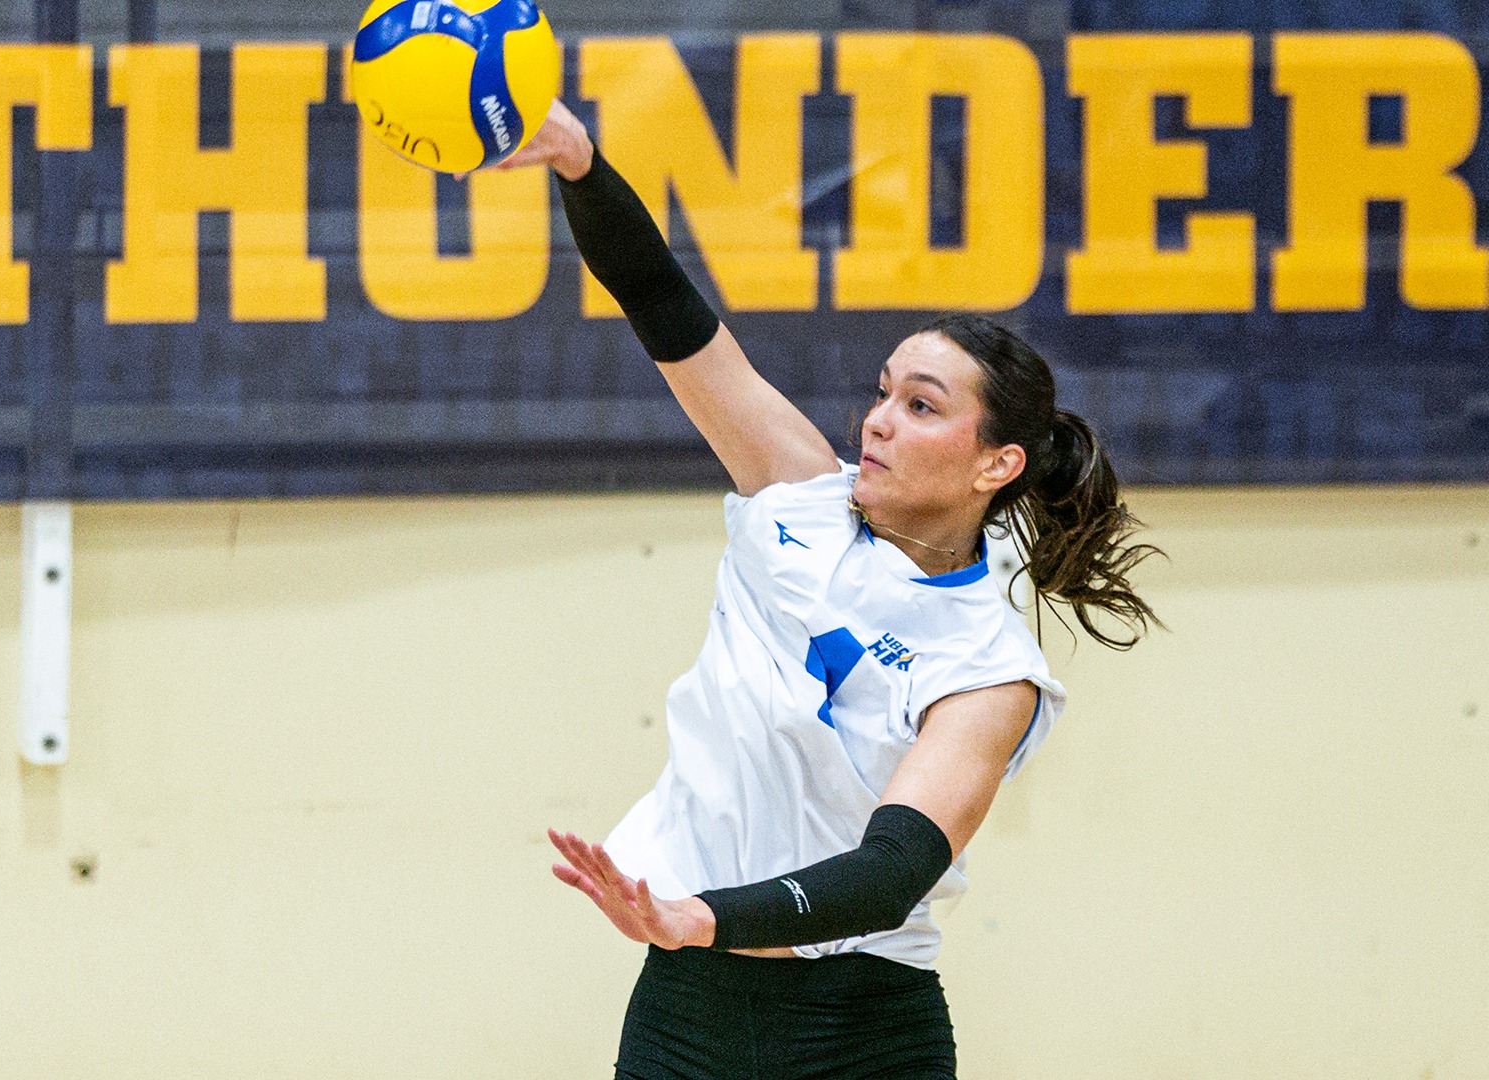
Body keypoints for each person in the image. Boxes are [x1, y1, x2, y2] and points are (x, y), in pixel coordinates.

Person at [495, 99, 1161, 1079]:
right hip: (687, 1012)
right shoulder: (795, 496)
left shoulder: (988, 669)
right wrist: (582, 165)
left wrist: (704, 914)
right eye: (885, 390)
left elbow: (889, 875)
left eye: (922, 406)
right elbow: (662, 303)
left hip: (859, 1031)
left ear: (995, 464)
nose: (879, 421)